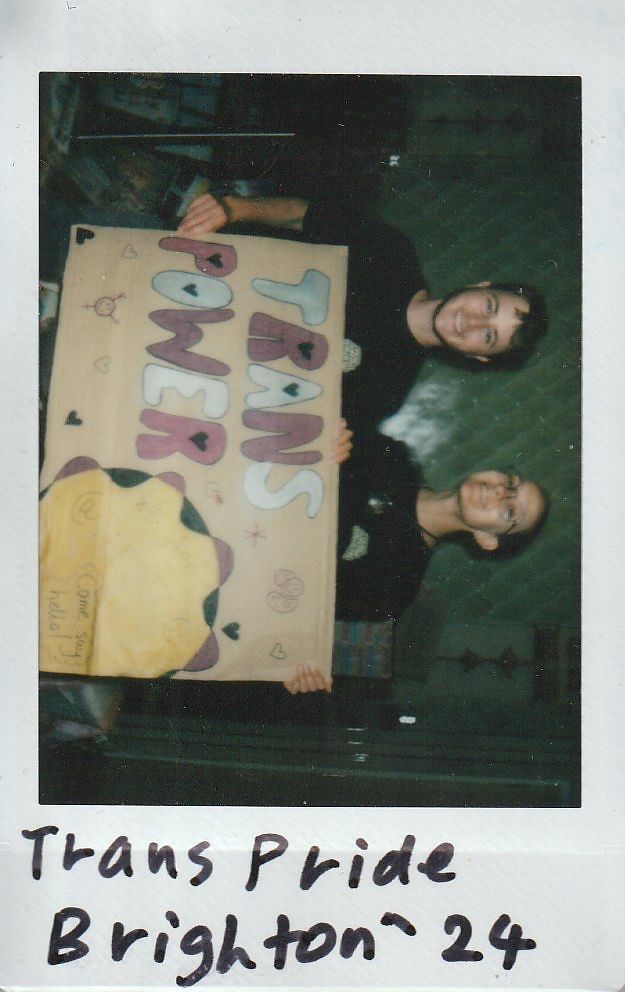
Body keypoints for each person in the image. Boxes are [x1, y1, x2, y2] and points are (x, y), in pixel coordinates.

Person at [178, 193, 547, 434]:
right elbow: (304, 215)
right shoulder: (393, 253)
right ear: (481, 286)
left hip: (192, 360)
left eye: (488, 335)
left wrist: (328, 444)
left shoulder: (386, 390)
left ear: (479, 355)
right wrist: (232, 208)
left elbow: (286, 421)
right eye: (489, 307)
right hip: (197, 274)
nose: (473, 322)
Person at [283, 425, 548, 694]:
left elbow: (295, 612)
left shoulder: (397, 585)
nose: (500, 492)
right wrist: (329, 432)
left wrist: (295, 668)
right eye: (511, 482)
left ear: (488, 539)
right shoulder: (396, 459)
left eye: (510, 510)